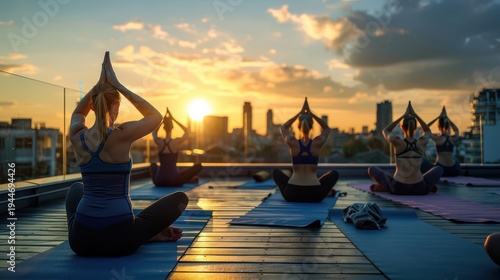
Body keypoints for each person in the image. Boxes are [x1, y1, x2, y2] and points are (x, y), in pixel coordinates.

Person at [65, 51, 188, 257]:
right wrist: (118, 84)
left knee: (76, 189)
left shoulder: (78, 137)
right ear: (117, 106)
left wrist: (98, 86)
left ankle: (140, 231)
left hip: (80, 241)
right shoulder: (121, 135)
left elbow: (78, 113)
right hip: (120, 239)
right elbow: (155, 116)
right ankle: (145, 233)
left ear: (92, 105)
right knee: (180, 198)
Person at [368, 101, 443, 195]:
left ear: (402, 127)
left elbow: (385, 130)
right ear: (415, 127)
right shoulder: (421, 142)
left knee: (372, 169)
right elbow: (427, 130)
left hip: (398, 188)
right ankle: (428, 186)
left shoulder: (397, 141)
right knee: (439, 169)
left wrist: (403, 115)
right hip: (420, 188)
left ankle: (385, 187)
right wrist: (416, 115)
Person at [272, 97, 339, 202]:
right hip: (314, 194)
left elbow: (284, 128)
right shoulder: (317, 143)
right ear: (312, 126)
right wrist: (312, 114)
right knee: (334, 173)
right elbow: (326, 128)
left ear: (298, 126)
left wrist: (299, 113)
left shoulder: (292, 142)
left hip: (292, 193)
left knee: (276, 172)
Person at [150, 108, 202, 186]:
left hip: (159, 181)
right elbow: (187, 132)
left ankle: (188, 180)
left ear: (163, 128)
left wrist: (162, 121)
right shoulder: (175, 142)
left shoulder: (159, 142)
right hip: (174, 180)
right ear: (173, 128)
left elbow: (154, 132)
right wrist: (173, 119)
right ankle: (188, 180)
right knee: (199, 166)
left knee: (153, 164)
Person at [421, 106, 461, 177]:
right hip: (453, 170)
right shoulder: (452, 139)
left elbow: (425, 129)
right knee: (455, 159)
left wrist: (438, 117)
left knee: (422, 160)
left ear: (439, 127)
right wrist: (447, 118)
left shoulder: (438, 138)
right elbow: (456, 130)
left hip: (441, 170)